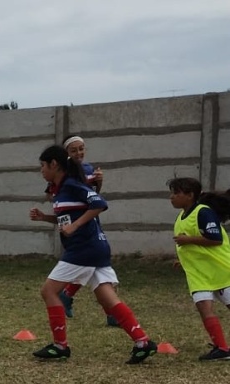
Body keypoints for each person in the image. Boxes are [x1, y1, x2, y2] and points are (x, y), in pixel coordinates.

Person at [28, 145, 157, 364]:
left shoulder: (71, 184)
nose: (41, 171)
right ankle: (142, 342)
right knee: (107, 298)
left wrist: (76, 225)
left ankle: (60, 346)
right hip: (95, 248)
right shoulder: (60, 190)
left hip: (83, 249)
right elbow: (68, 217)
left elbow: (99, 204)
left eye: (42, 166)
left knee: (49, 291)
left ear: (54, 164)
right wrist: (45, 218)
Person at [53, 135, 114, 325]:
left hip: (90, 223)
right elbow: (60, 202)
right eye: (74, 150)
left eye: (82, 148)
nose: (79, 153)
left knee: (99, 268)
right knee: (95, 265)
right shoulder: (64, 176)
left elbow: (95, 198)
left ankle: (68, 296)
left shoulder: (88, 169)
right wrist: (67, 225)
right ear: (65, 154)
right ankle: (114, 315)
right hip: (81, 229)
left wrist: (99, 182)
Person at [168, 177, 230, 360]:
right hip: (199, 274)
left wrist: (188, 240)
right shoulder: (181, 216)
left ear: (189, 195)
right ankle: (222, 348)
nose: (171, 197)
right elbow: (193, 247)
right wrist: (183, 259)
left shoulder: (203, 212)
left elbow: (215, 239)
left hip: (219, 269)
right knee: (204, 307)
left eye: (176, 193)